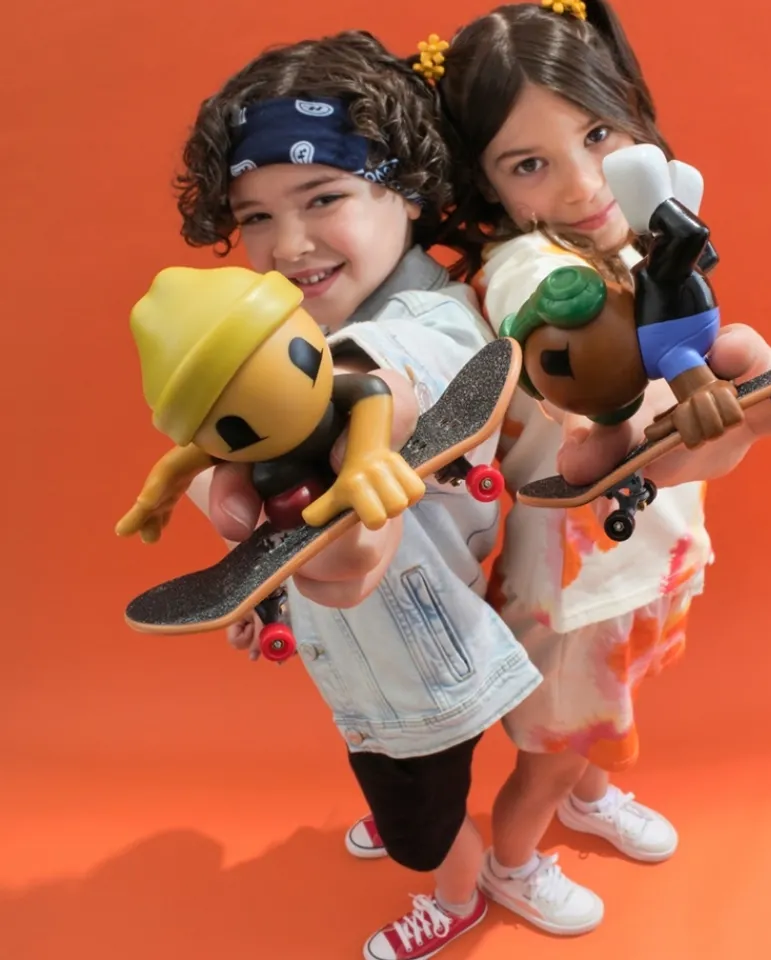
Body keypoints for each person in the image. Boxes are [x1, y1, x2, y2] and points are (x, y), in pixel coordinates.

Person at [331, 0, 771, 939]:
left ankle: (588, 795)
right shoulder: (529, 265)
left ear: (633, 115)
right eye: (529, 164)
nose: (582, 184)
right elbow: (559, 316)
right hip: (577, 588)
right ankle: (515, 861)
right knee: (557, 745)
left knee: (607, 711)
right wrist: (641, 375)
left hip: (650, 550)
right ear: (487, 185)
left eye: (598, 135)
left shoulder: (640, 240)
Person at [145, 30, 545, 960]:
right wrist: (267, 593)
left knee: (421, 817)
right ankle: (406, 804)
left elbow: (383, 377)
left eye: (323, 198)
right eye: (254, 216)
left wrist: (250, 452)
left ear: (406, 190)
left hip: (419, 662)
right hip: (360, 652)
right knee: (387, 762)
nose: (287, 246)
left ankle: (456, 893)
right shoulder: (297, 329)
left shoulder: (436, 323)